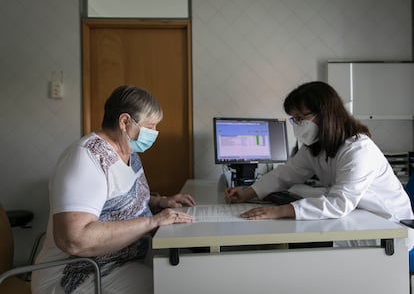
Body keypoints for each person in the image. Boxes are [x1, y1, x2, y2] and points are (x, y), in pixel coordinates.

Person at [31, 86, 195, 294]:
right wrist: (152, 222)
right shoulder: (86, 158)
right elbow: (74, 239)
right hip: (81, 274)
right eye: (150, 126)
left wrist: (159, 202)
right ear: (125, 122)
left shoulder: (129, 153)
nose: (154, 133)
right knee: (176, 287)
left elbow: (119, 198)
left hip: (124, 259)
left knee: (191, 270)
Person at [225, 81, 414, 247]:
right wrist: (246, 193)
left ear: (325, 114)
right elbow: (286, 173)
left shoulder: (359, 150)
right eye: (294, 119)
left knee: (306, 243)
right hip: (356, 218)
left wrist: (279, 211)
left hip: (390, 228)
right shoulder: (314, 148)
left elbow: (339, 203)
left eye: (300, 118)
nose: (297, 124)